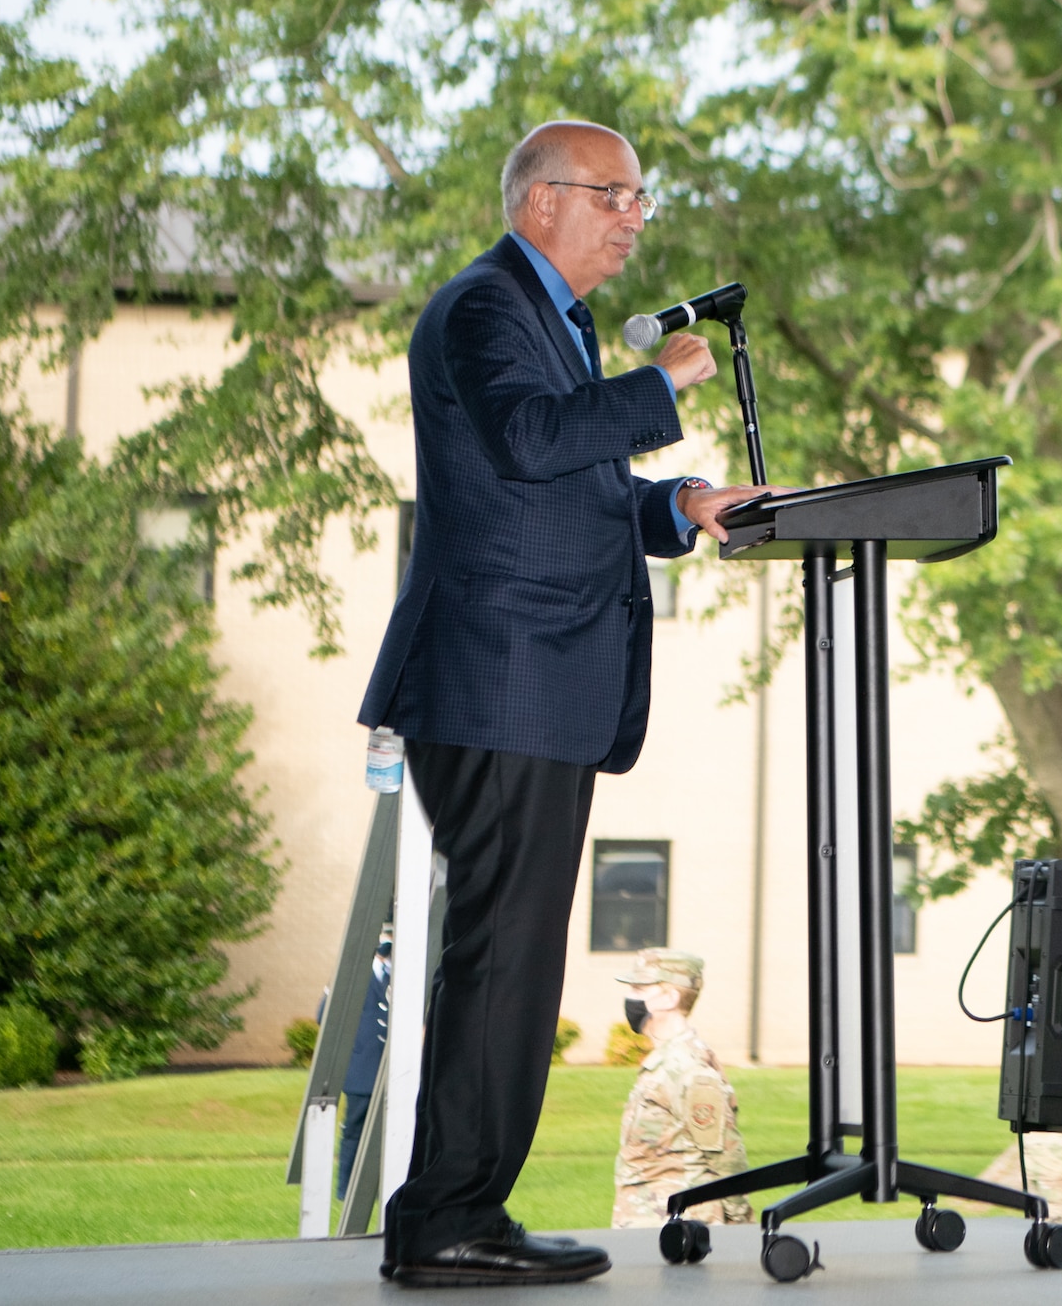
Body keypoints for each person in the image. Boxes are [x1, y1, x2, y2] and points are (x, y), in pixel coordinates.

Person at [355, 119, 780, 1288]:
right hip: (498, 681)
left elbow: (561, 488)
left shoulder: (553, 319)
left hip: (530, 685)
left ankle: (461, 1211)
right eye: (615, 195)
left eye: (643, 198)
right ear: (540, 200)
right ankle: (446, 1218)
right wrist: (662, 387)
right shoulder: (486, 306)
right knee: (502, 960)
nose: (636, 217)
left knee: (513, 959)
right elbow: (534, 438)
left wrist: (678, 503)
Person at [611, 949, 752, 1228]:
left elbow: (724, 1153)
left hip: (678, 1225)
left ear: (670, 998)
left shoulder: (687, 1068)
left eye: (639, 988)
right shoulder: (666, 1061)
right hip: (649, 1221)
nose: (631, 997)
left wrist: (740, 1222)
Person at [338, 935, 393, 1199]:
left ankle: (386, 1189)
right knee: (354, 1132)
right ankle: (345, 1189)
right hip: (362, 1069)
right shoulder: (353, 975)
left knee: (393, 1133)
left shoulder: (400, 974)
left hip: (393, 1070)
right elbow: (325, 1014)